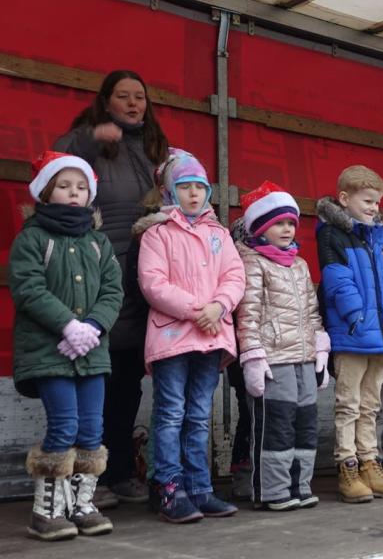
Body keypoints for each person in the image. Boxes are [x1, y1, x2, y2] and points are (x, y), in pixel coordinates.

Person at [55, 69, 169, 506]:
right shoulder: (84, 141)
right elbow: (57, 171)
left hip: (145, 275)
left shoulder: (156, 148)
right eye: (123, 96)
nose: (134, 103)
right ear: (105, 102)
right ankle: (90, 476)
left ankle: (120, 470)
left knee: (128, 380)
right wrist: (90, 139)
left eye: (140, 96)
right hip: (98, 273)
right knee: (96, 376)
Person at [10, 151, 122, 540]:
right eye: (64, 185)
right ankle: (46, 512)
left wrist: (93, 326)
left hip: (92, 352)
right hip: (49, 353)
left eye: (81, 187)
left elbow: (113, 290)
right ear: (45, 192)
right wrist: (67, 325)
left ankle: (81, 505)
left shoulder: (98, 242)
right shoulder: (32, 238)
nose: (74, 193)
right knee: (64, 424)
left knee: (92, 428)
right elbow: (28, 288)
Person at [137, 149, 245, 523]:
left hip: (211, 336)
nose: (194, 193)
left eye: (200, 186)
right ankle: (169, 487)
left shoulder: (219, 234)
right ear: (170, 191)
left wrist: (219, 306)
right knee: (170, 413)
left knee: (199, 415)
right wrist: (199, 310)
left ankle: (199, 487)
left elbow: (235, 276)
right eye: (185, 186)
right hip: (173, 337)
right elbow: (153, 283)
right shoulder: (157, 233)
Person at [233, 181, 331, 511]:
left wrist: (319, 349)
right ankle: (272, 491)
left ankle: (299, 486)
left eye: (291, 222)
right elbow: (248, 313)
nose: (287, 229)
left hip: (303, 357)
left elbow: (312, 312)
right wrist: (252, 357)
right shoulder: (253, 262)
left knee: (305, 424)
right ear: (260, 227)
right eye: (279, 223)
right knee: (275, 424)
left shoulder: (299, 264)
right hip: (273, 359)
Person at [316, 165, 383, 503]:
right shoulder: (333, 234)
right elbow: (337, 282)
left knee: (371, 404)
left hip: (380, 335)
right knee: (349, 404)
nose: (374, 208)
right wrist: (356, 317)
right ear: (344, 199)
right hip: (353, 334)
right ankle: (348, 467)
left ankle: (370, 464)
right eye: (367, 201)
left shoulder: (380, 237)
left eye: (377, 202)